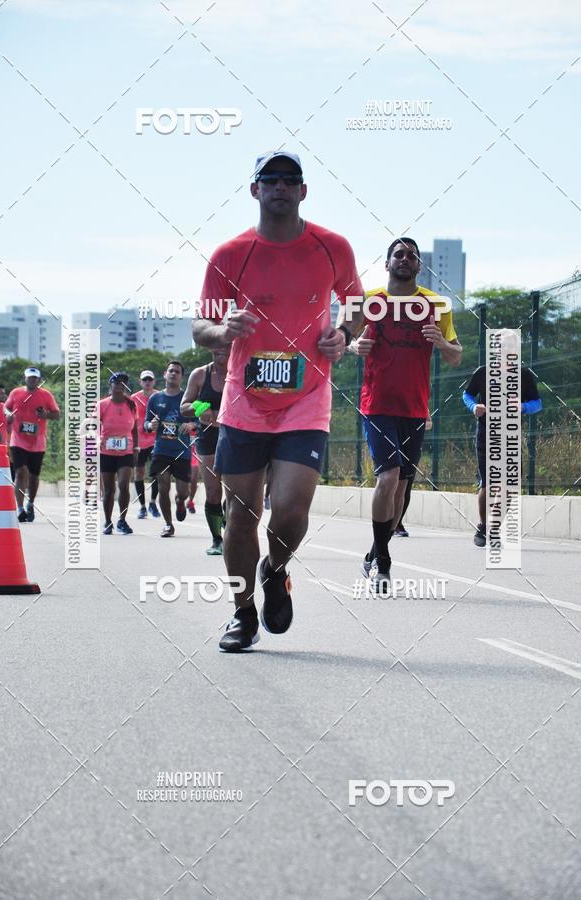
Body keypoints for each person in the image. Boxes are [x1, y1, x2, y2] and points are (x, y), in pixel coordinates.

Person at [193, 149, 365, 652]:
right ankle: (242, 614)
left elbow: (357, 309)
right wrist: (221, 329)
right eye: (271, 179)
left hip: (305, 400)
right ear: (255, 190)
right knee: (240, 517)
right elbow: (200, 326)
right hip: (244, 404)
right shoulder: (230, 254)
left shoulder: (332, 247)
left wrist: (345, 336)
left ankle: (276, 567)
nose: (282, 187)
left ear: (304, 191)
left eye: (292, 180)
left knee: (289, 510)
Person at [349, 238, 462, 589]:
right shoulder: (369, 302)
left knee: (402, 488)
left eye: (411, 255)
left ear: (419, 266)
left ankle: (373, 551)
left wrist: (442, 343)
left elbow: (456, 354)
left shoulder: (436, 305)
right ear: (387, 264)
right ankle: (384, 563)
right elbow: (344, 341)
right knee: (389, 476)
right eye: (398, 254)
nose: (405, 259)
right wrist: (356, 346)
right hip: (377, 404)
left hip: (414, 408)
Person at [463, 360, 541, 547]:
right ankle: (482, 525)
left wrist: (523, 407)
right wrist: (474, 407)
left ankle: (494, 530)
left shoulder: (524, 375)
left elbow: (537, 403)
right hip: (485, 435)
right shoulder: (482, 372)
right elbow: (466, 395)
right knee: (488, 485)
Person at [180, 347, 228, 555]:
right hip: (208, 437)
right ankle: (217, 540)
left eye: (227, 347)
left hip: (234, 437)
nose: (221, 351)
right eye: (218, 347)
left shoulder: (242, 370)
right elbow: (184, 407)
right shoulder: (200, 374)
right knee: (213, 491)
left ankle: (231, 527)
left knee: (238, 492)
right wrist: (201, 407)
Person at [5, 367, 60, 521]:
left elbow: (57, 414)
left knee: (34, 476)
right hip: (18, 440)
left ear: (39, 380)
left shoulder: (46, 395)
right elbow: (6, 407)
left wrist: (45, 415)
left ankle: (31, 503)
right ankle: (20, 508)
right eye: (30, 378)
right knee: (21, 472)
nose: (32, 380)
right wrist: (8, 414)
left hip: (38, 442)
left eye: (35, 378)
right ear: (25, 379)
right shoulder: (16, 393)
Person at [144, 360, 191, 538]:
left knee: (182, 493)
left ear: (182, 376)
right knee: (163, 487)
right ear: (165, 374)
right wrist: (151, 425)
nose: (173, 374)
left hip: (181, 451)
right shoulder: (155, 398)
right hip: (161, 450)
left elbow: (201, 421)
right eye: (170, 371)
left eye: (177, 372)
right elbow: (145, 423)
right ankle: (168, 524)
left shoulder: (187, 398)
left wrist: (192, 424)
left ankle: (180, 503)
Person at [98, 372, 139, 535]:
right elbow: (93, 425)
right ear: (111, 385)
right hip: (106, 451)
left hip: (126, 451)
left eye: (123, 383)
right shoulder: (102, 405)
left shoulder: (131, 405)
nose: (119, 386)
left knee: (123, 485)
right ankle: (108, 521)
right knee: (108, 490)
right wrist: (95, 440)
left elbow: (135, 428)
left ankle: (122, 520)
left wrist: (136, 448)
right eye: (116, 383)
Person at [392, 412, 432, 537]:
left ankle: (398, 523)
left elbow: (429, 423)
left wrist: (416, 426)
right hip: (394, 443)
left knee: (406, 486)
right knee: (392, 482)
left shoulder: (417, 401)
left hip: (412, 445)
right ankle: (388, 522)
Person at [132, 370, 160, 519]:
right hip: (139, 442)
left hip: (157, 441)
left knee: (157, 473)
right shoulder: (133, 399)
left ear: (154, 381)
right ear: (140, 382)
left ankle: (153, 503)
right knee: (139, 473)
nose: (147, 382)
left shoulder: (161, 396)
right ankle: (142, 506)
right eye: (145, 380)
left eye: (150, 379)